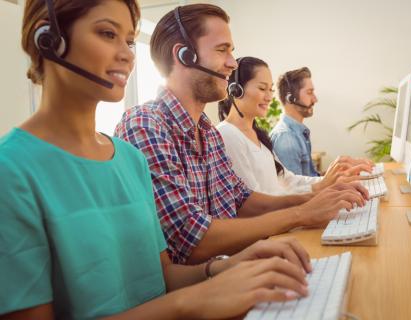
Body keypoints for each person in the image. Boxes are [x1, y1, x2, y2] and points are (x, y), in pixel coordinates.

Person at [0, 1, 320, 318]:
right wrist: (195, 300)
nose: (127, 54)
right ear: (47, 39)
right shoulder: (11, 169)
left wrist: (231, 266)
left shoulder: (128, 159)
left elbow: (162, 278)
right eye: (107, 33)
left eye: (128, 40)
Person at [114, 4, 368, 265]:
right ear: (184, 55)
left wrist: (316, 199)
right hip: (203, 289)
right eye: (222, 50)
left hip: (233, 272)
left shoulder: (208, 132)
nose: (232, 63)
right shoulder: (146, 125)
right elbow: (191, 239)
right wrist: (302, 213)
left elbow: (240, 199)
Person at [217, 56, 372, 196]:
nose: (270, 97)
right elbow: (256, 202)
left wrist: (329, 181)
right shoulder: (228, 135)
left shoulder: (257, 134)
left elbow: (288, 180)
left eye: (270, 90)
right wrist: (322, 188)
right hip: (273, 224)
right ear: (236, 90)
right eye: (262, 88)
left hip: (282, 219)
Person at [271, 67, 374, 177]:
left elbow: (310, 180)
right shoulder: (287, 138)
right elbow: (296, 191)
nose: (315, 99)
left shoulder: (297, 133)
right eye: (309, 92)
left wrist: (343, 171)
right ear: (290, 98)